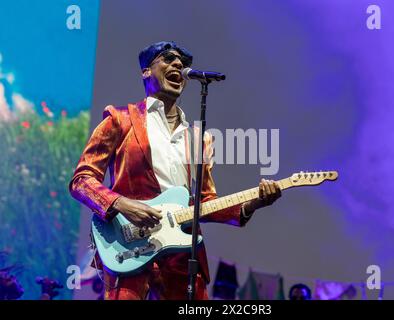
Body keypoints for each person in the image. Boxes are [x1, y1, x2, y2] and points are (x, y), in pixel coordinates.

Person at [69, 41, 282, 300]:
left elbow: (205, 203)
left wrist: (253, 204)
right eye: (168, 59)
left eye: (182, 62)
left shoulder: (199, 138)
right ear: (146, 71)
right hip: (129, 246)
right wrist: (122, 204)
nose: (179, 65)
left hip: (182, 255)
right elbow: (81, 181)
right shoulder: (119, 119)